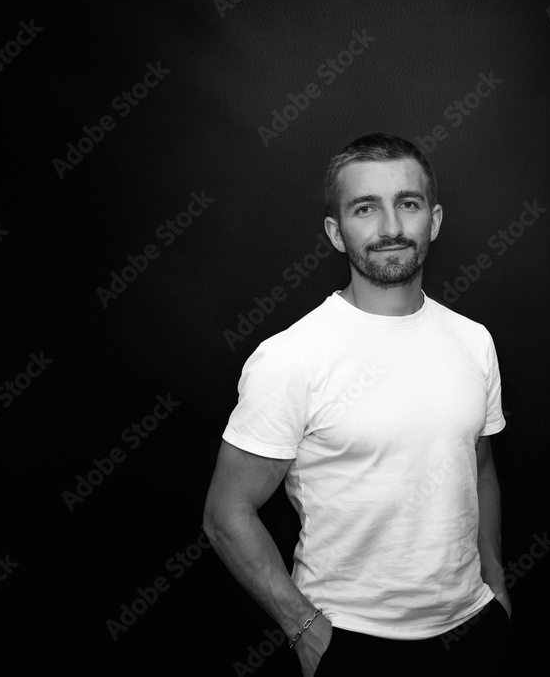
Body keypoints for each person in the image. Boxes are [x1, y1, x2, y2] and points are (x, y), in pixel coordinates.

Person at [204, 133, 509, 675]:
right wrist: (305, 629)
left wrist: (496, 583)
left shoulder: (474, 341)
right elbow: (227, 513)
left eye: (407, 204)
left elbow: (479, 468)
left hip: (473, 628)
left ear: (433, 220)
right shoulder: (291, 358)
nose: (391, 228)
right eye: (366, 208)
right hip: (350, 642)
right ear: (336, 233)